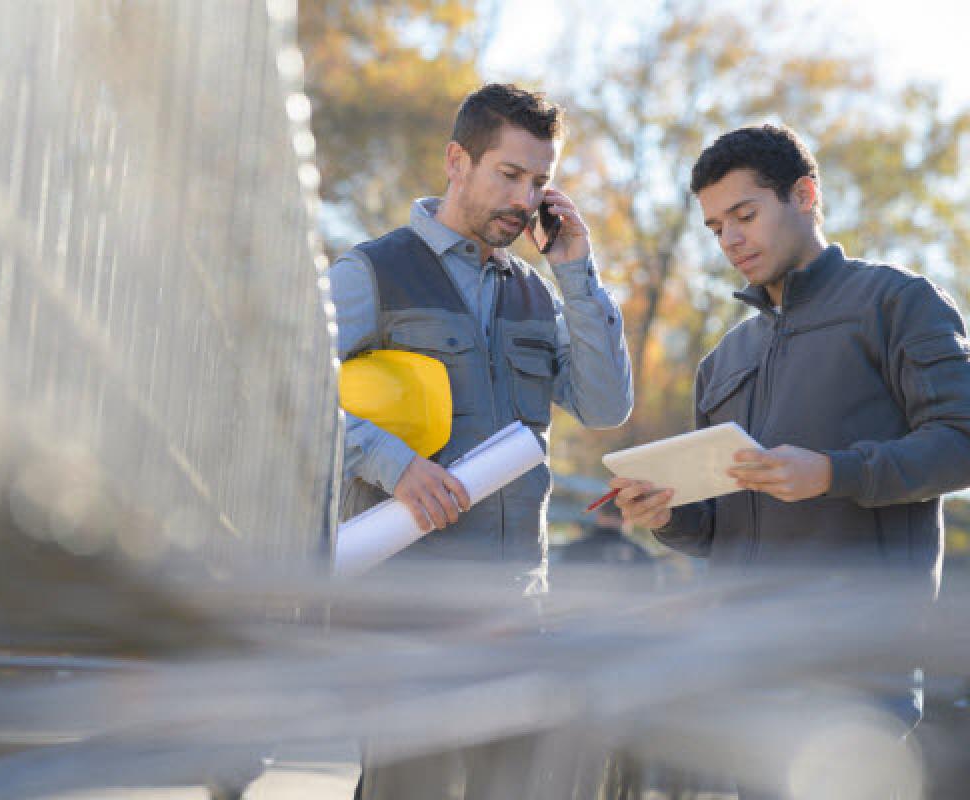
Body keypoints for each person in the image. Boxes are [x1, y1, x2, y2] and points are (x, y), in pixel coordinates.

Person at [611, 123, 970, 797]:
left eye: (745, 215)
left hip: (859, 670)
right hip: (741, 665)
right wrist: (665, 514)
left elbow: (962, 439)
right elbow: (717, 530)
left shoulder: (897, 302)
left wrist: (835, 472)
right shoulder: (723, 362)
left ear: (804, 195)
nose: (731, 240)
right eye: (716, 228)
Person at [328, 83, 633, 799]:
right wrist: (394, 464)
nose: (525, 199)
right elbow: (292, 399)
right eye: (510, 173)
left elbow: (606, 403)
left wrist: (576, 271)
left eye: (540, 181)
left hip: (516, 610)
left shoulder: (538, 291)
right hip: (408, 613)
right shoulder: (370, 272)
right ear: (457, 160)